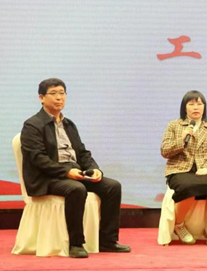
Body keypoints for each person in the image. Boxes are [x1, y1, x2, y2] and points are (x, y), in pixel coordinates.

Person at [20, 78, 131, 258]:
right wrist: (65, 172)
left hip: (74, 171)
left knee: (112, 186)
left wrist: (94, 169)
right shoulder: (32, 125)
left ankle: (107, 241)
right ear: (41, 98)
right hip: (48, 177)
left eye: (62, 93)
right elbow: (38, 159)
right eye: (53, 94)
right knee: (76, 189)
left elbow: (82, 153)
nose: (59, 98)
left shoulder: (69, 124)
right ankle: (76, 243)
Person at [161, 90, 207, 246]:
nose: (196, 107)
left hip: (204, 169)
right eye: (191, 104)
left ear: (204, 107)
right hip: (179, 169)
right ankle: (179, 226)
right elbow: (165, 151)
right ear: (184, 107)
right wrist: (181, 139)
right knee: (188, 187)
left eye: (199, 104)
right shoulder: (174, 126)